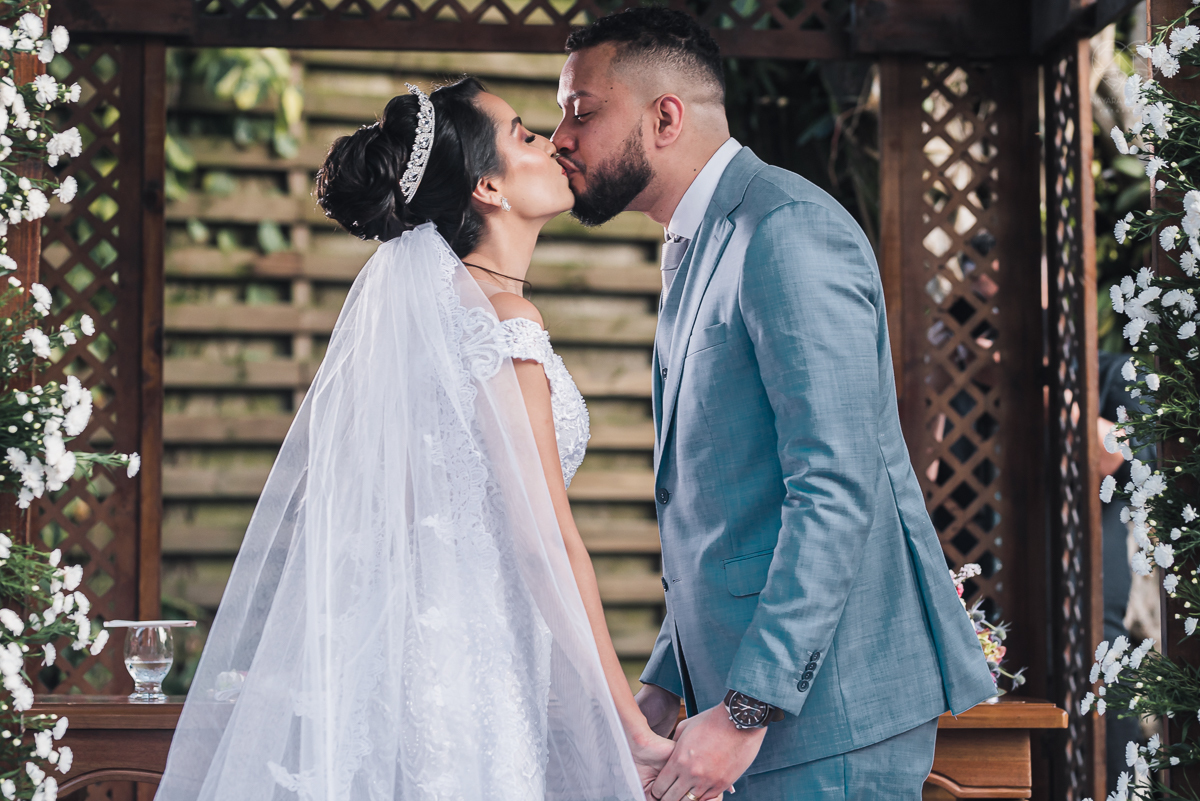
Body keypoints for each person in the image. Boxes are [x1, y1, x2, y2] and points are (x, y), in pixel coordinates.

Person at [153, 77, 674, 801]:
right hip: (470, 675)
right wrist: (632, 728)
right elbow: (545, 545)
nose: (552, 142)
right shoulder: (503, 323)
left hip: (408, 666)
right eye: (526, 135)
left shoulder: (428, 333)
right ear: (488, 187)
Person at [551, 9, 998, 800]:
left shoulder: (785, 231)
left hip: (830, 722)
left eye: (582, 110)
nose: (561, 136)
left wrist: (747, 709)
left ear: (665, 117)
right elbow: (730, 517)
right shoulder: (695, 245)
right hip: (760, 716)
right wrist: (664, 683)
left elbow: (834, 487)